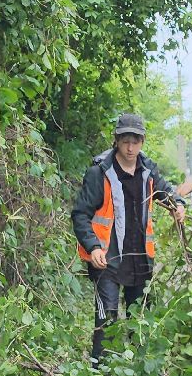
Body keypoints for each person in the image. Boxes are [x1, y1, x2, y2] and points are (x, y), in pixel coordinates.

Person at [71, 113, 183, 362]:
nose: (130, 148)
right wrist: (93, 247)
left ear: (142, 141)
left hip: (140, 259)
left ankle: (137, 372)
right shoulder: (99, 173)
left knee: (139, 321)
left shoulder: (148, 171)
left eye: (135, 142)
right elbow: (80, 215)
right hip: (107, 260)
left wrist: (179, 205)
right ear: (117, 141)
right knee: (107, 321)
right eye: (125, 142)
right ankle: (100, 371)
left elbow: (167, 193)